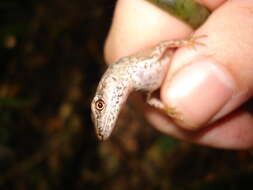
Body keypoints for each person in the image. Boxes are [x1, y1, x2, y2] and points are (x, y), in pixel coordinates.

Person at [104, 0, 253, 149]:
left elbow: (162, 47)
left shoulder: (135, 65)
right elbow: (149, 98)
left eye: (100, 105)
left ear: (111, 82)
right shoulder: (139, 87)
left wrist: (187, 43)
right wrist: (165, 108)